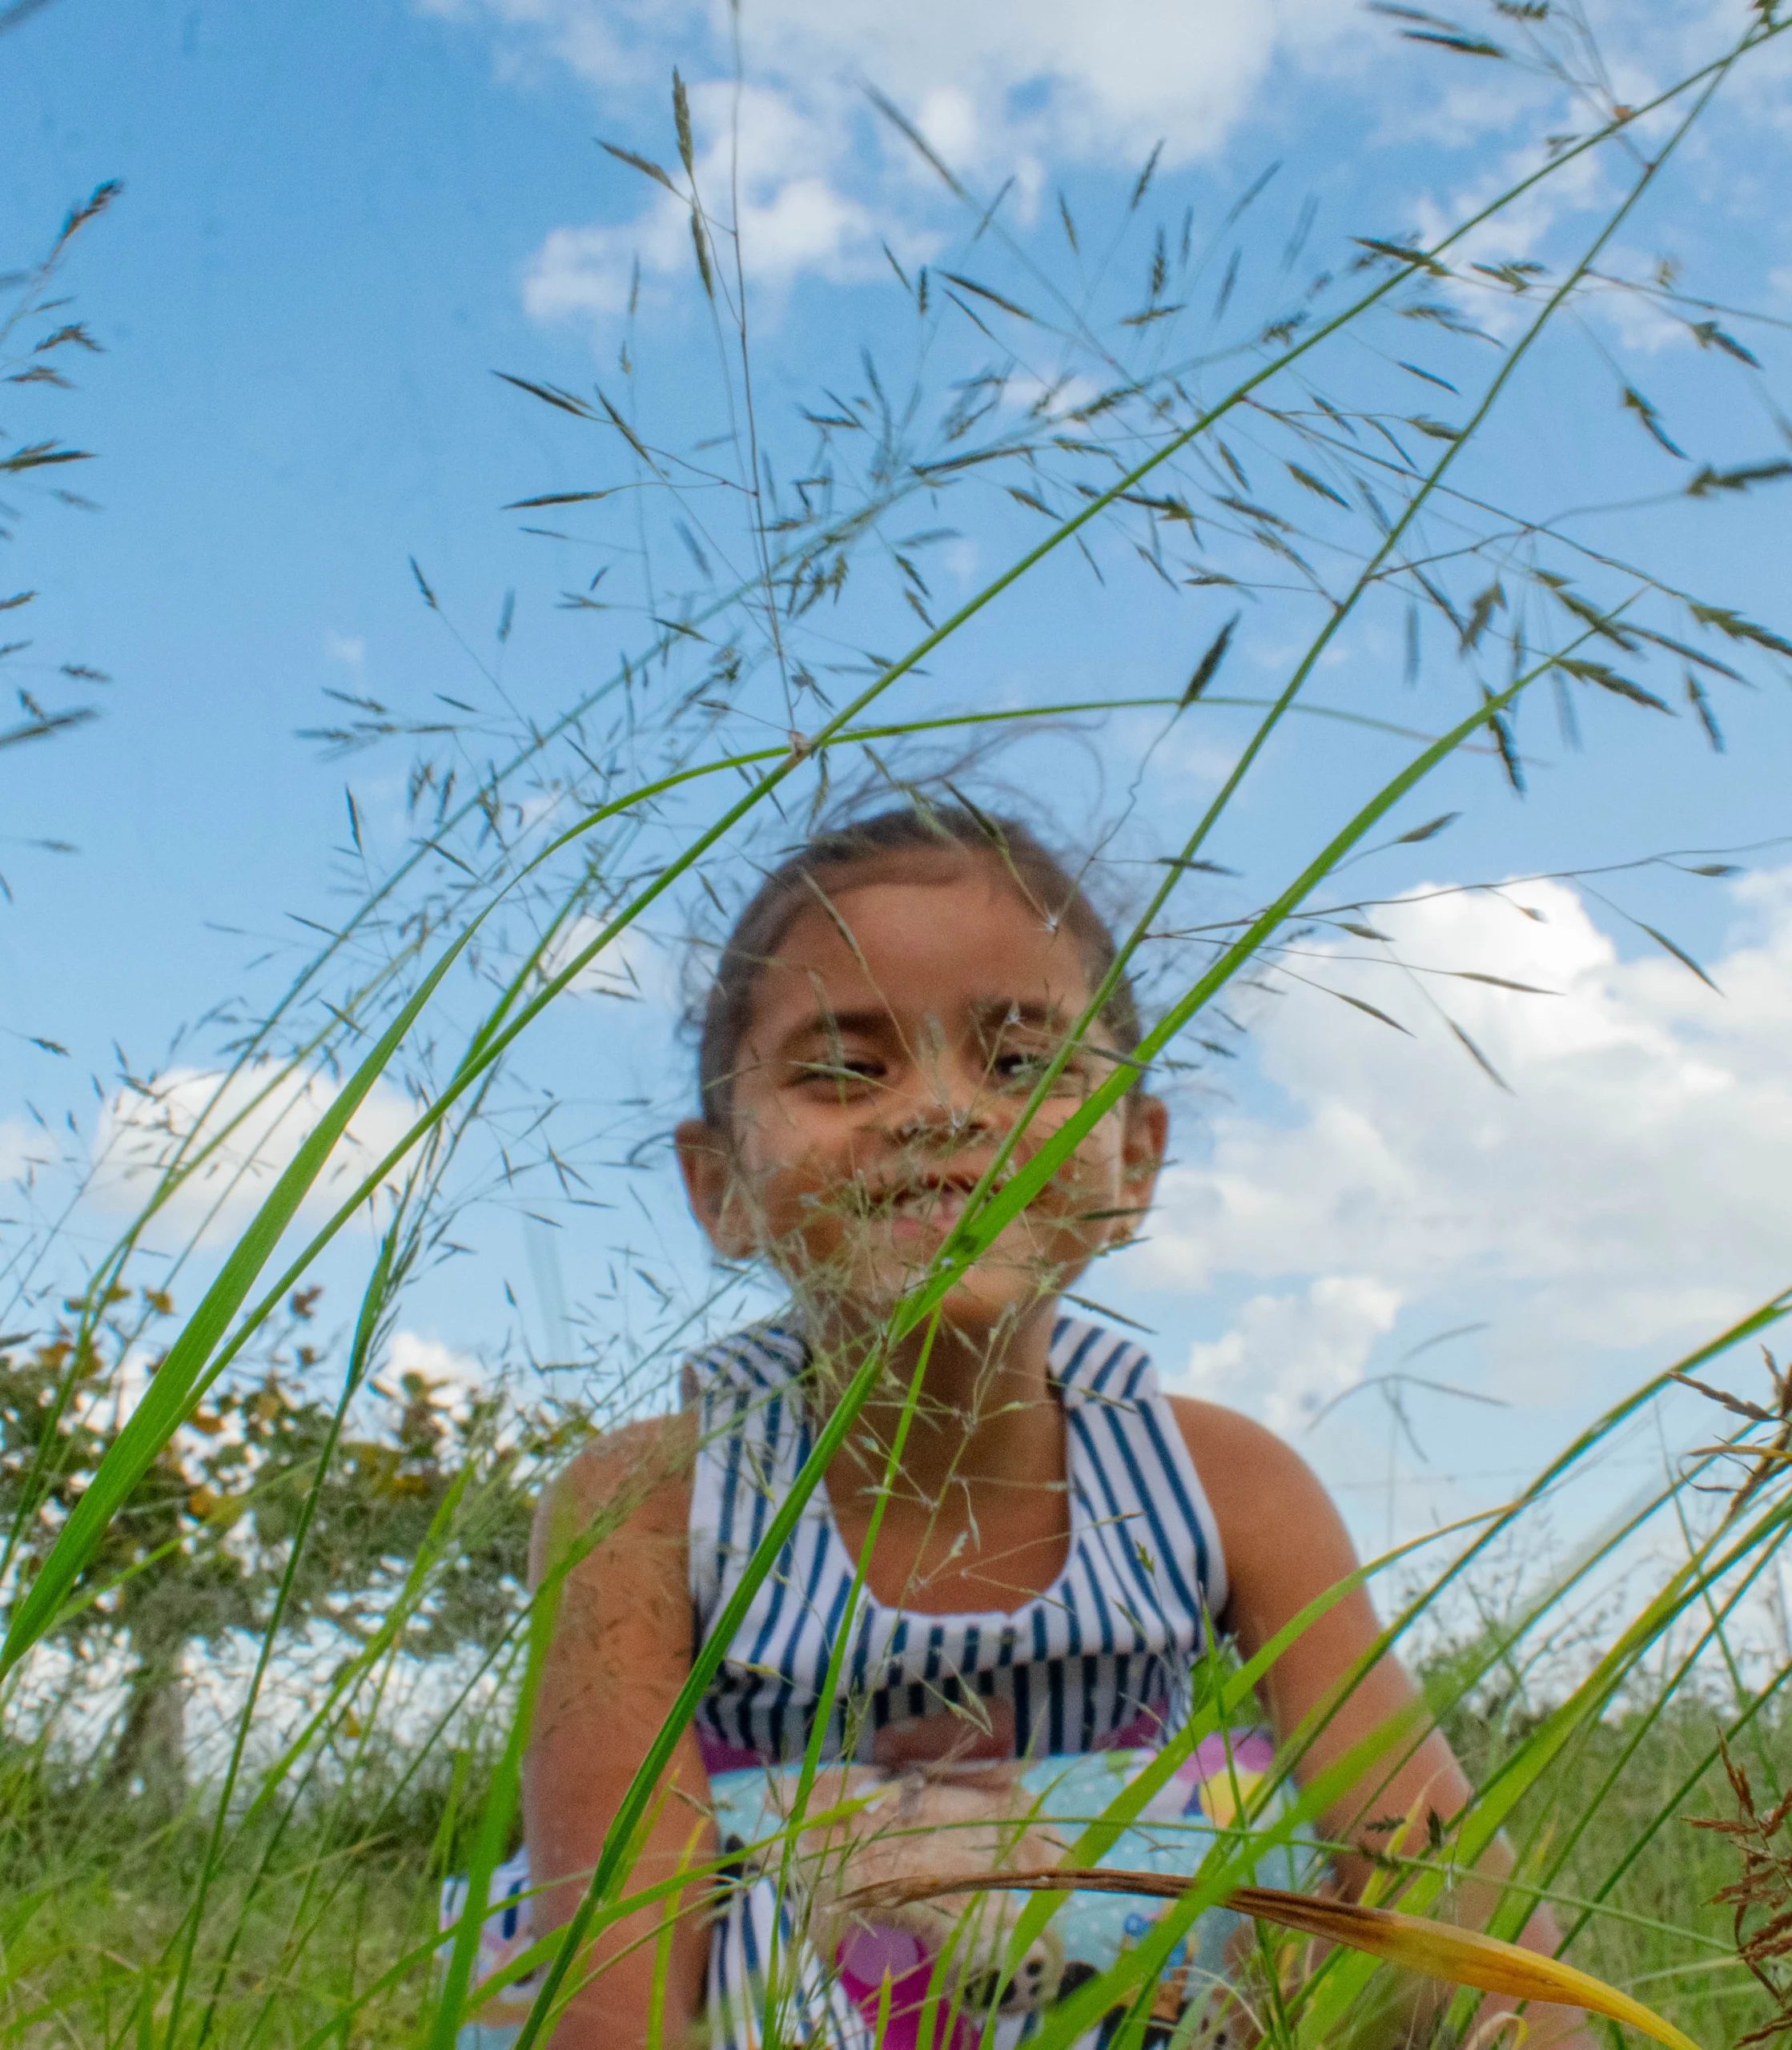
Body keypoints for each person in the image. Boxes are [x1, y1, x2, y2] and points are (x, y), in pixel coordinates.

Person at [521, 803, 1592, 2048]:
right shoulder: (650, 1501)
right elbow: (614, 1947)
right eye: (841, 1068)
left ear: (1133, 1159)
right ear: (720, 1188)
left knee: (1293, 1840)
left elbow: (1424, 1863)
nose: (936, 1109)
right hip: (782, 2021)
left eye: (1021, 1062)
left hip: (1153, 2012)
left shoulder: (1223, 1480)